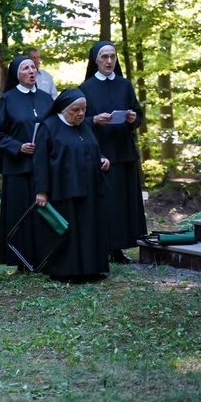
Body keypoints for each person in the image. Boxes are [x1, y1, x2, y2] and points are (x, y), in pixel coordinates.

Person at [79, 41, 147, 264]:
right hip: (102, 153)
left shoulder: (124, 85)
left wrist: (132, 119)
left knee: (126, 201)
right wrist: (94, 120)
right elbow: (78, 120)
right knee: (108, 202)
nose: (109, 61)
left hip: (124, 151)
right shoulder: (86, 88)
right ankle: (107, 246)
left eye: (112, 57)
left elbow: (138, 114)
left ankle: (123, 246)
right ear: (95, 61)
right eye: (104, 57)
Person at [33, 88, 110, 282]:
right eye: (75, 110)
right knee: (70, 230)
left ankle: (92, 268)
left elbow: (89, 148)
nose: (81, 114)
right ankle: (66, 271)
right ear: (63, 109)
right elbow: (40, 161)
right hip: (63, 188)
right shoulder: (48, 127)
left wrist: (101, 159)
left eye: (84, 109)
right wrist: (41, 191)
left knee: (89, 227)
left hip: (89, 187)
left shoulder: (85, 125)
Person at [0, 57, 54, 270]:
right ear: (16, 74)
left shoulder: (46, 98)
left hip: (43, 165)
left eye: (33, 67)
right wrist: (18, 146)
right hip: (19, 166)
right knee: (21, 211)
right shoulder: (8, 99)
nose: (31, 71)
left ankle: (47, 254)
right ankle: (22, 259)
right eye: (25, 68)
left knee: (44, 211)